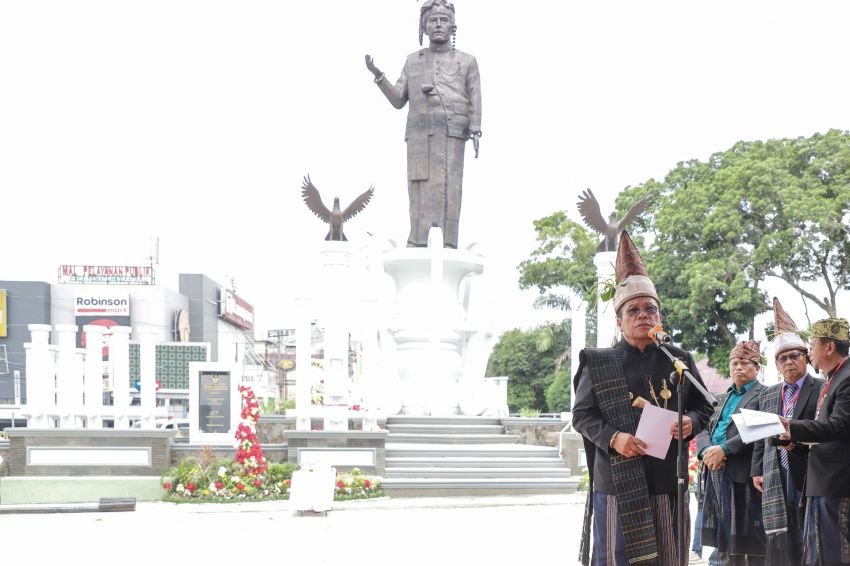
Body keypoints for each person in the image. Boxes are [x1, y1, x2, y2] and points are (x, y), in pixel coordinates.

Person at [572, 230, 714, 566]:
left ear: (659, 316)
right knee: (617, 558)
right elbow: (582, 416)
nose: (642, 315)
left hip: (667, 480)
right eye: (633, 310)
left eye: (650, 309)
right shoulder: (599, 361)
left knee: (667, 557)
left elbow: (707, 406)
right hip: (618, 479)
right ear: (619, 321)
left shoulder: (678, 359)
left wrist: (691, 421)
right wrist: (614, 438)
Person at [364, 0, 482, 249]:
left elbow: (475, 96)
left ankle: (448, 241)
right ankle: (417, 240)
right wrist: (379, 76)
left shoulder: (467, 61)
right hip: (419, 135)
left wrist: (476, 128)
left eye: (443, 20)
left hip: (452, 132)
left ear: (452, 26)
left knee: (451, 186)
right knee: (418, 185)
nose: (438, 25)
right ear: (424, 27)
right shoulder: (412, 61)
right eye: (432, 21)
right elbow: (398, 99)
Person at [751, 298, 823, 565]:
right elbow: (760, 434)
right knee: (783, 532)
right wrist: (757, 469)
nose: (789, 362)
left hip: (807, 468)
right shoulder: (770, 394)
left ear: (806, 357)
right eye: (783, 358)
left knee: (806, 527)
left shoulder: (820, 388)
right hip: (775, 469)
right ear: (777, 365)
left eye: (795, 356)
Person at [780, 317, 850, 565]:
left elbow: (841, 426)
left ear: (829, 347)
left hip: (837, 483)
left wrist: (791, 426)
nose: (810, 353)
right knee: (818, 555)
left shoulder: (847, 378)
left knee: (834, 555)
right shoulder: (832, 380)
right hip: (822, 482)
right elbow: (824, 434)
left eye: (812, 345)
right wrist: (794, 444)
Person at [698, 339, 767, 565]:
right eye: (734, 362)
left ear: (757, 368)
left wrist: (724, 449)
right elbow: (704, 429)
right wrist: (707, 452)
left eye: (745, 363)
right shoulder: (719, 398)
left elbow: (758, 429)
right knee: (724, 536)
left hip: (744, 472)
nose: (738, 367)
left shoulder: (764, 395)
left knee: (749, 537)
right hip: (716, 471)